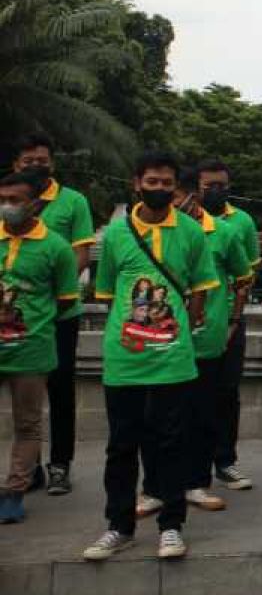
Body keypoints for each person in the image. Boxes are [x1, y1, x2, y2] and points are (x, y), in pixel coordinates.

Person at [83, 151, 218, 561]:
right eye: (152, 181)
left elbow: (201, 289)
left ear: (176, 188)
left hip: (173, 360)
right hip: (125, 361)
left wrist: (178, 328)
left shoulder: (192, 233)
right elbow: (106, 295)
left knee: (172, 444)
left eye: (166, 183)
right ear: (136, 183)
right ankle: (119, 526)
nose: (159, 189)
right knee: (121, 446)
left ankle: (172, 526)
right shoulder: (117, 235)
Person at [155, 169, 252, 515]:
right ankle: (159, 486)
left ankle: (200, 480)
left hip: (211, 336)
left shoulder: (227, 231)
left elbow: (244, 278)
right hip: (166, 337)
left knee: (207, 410)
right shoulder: (163, 233)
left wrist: (233, 322)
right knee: (167, 415)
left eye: (176, 197)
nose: (172, 204)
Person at [11, 133, 94, 496]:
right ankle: (27, 470)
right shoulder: (7, 200)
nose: (35, 166)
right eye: (28, 161)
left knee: (60, 389)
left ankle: (60, 464)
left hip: (60, 313)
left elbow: (80, 254)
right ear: (16, 165)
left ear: (52, 163)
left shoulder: (73, 202)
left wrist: (53, 294)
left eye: (42, 160)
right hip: (13, 318)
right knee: (23, 400)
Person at [0, 171, 80, 523]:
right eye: (3, 199)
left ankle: (15, 492)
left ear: (35, 204)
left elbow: (64, 301)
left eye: (15, 200)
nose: (7, 207)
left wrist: (32, 321)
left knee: (28, 424)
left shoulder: (56, 248)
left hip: (32, 350)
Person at [193, 158, 260, 492]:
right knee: (192, 398)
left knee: (227, 392)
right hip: (191, 324)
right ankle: (193, 467)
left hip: (230, 320)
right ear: (197, 187)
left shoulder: (242, 222)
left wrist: (235, 318)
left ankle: (225, 460)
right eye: (210, 185)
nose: (217, 191)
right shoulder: (183, 222)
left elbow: (245, 277)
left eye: (222, 184)